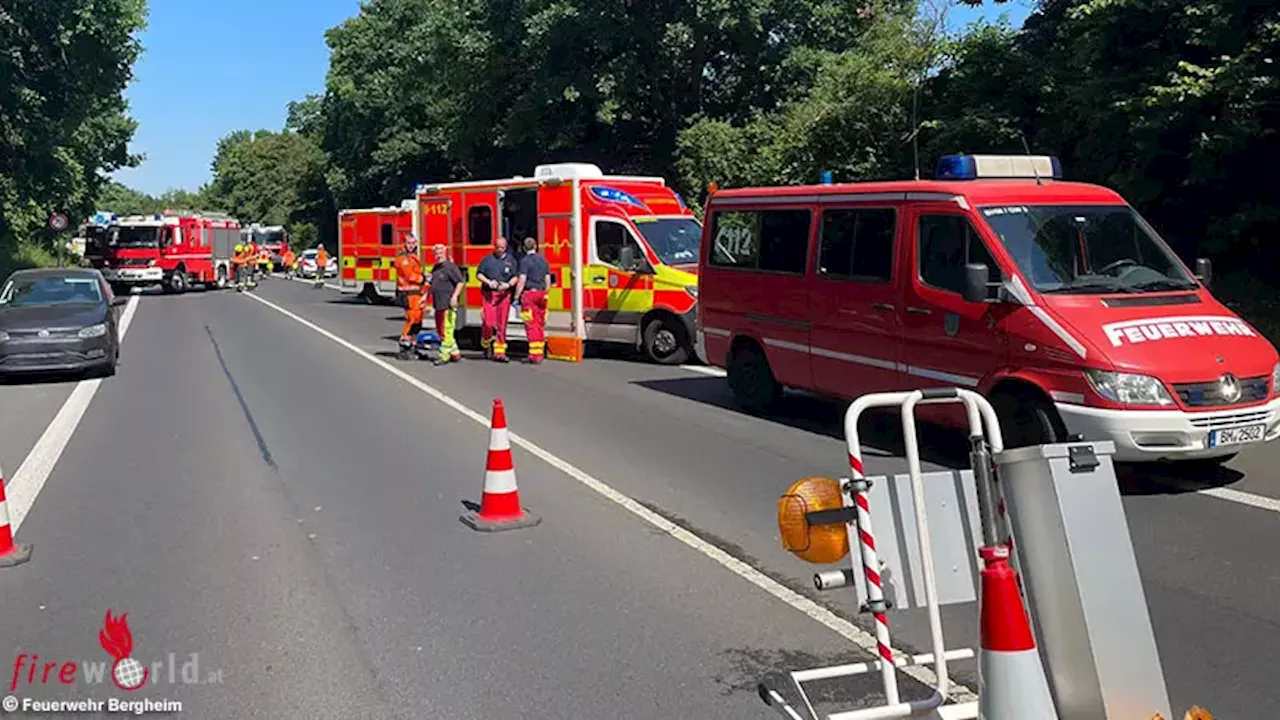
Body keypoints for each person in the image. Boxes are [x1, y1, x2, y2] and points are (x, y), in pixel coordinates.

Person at [475, 236, 519, 362]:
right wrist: (488, 282)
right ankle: (486, 343)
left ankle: (500, 353)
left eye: (502, 247)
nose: (500, 249)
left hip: (504, 295)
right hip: (489, 295)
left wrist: (509, 284)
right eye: (498, 247)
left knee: (502, 324)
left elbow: (515, 276)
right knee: (488, 323)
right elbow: (479, 274)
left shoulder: (511, 261)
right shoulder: (487, 260)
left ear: (506, 247)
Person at [515, 236, 552, 364]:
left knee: (531, 324)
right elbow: (548, 280)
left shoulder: (524, 261)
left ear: (524, 248)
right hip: (542, 294)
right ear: (536, 246)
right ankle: (540, 352)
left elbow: (522, 280)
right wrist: (546, 293)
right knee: (540, 323)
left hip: (529, 295)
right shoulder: (543, 260)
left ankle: (534, 354)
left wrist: (516, 296)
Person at [428, 243, 465, 365]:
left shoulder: (450, 267)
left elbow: (460, 282)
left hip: (447, 304)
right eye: (436, 252)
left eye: (440, 251)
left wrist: (454, 297)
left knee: (446, 330)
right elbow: (431, 284)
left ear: (445, 252)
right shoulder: (436, 267)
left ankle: (444, 355)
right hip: (438, 303)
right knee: (441, 329)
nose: (437, 254)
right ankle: (455, 353)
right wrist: (425, 297)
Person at [393, 233, 426, 355]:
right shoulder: (403, 259)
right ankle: (404, 344)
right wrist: (423, 279)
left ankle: (413, 344)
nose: (411, 245)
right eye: (409, 243)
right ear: (404, 243)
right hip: (408, 294)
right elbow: (410, 275)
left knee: (418, 320)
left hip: (416, 293)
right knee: (411, 319)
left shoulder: (413, 257)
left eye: (413, 243)